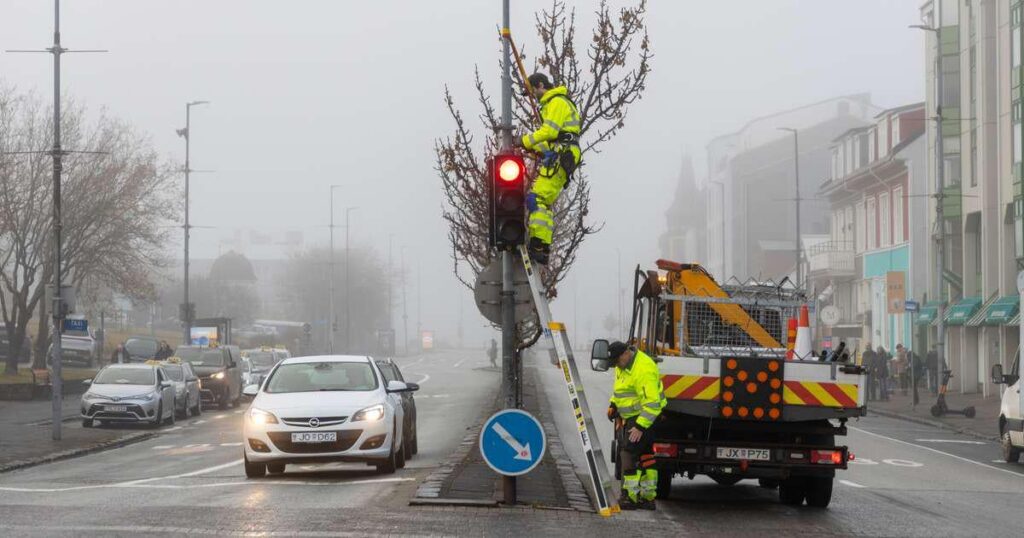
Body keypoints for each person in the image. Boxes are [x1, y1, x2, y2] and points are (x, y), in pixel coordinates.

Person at [518, 72, 582, 265]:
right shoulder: (555, 103)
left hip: (564, 153)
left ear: (540, 85)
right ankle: (542, 247)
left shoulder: (557, 102)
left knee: (536, 198)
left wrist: (525, 140)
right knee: (542, 202)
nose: (532, 96)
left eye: (531, 91)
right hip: (562, 152)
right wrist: (531, 146)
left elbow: (550, 131)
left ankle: (538, 245)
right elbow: (553, 139)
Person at [605, 341, 667, 511]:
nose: (616, 365)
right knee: (646, 455)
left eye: (617, 361)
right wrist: (614, 404)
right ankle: (648, 498)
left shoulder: (643, 369)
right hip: (635, 415)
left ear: (626, 353)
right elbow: (621, 389)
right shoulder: (623, 365)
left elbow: (653, 404)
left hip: (645, 416)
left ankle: (629, 497)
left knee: (628, 452)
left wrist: (640, 427)